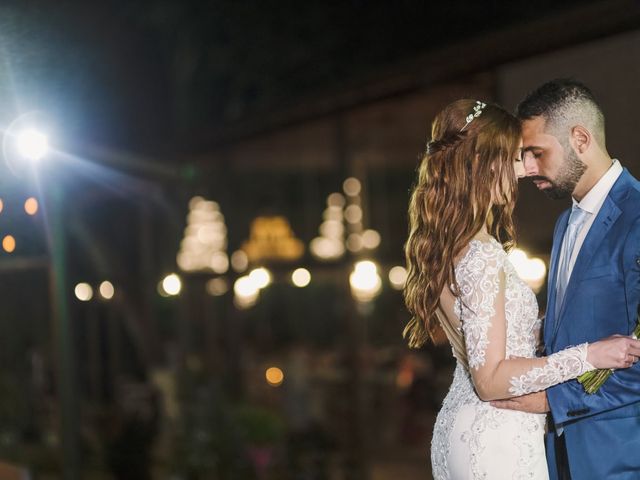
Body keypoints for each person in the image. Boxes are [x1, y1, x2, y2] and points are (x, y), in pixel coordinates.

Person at [402, 98, 640, 479]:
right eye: (516, 158)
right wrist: (590, 354)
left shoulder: (458, 244)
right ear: (484, 164)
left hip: (470, 428)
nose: (525, 170)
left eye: (531, 155)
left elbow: (489, 338)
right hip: (497, 434)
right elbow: (491, 378)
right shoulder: (480, 253)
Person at [491, 79, 640, 479]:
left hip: (622, 456)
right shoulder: (563, 225)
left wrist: (553, 400)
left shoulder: (638, 217)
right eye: (524, 156)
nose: (527, 169)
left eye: (537, 153)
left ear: (579, 138)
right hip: (559, 457)